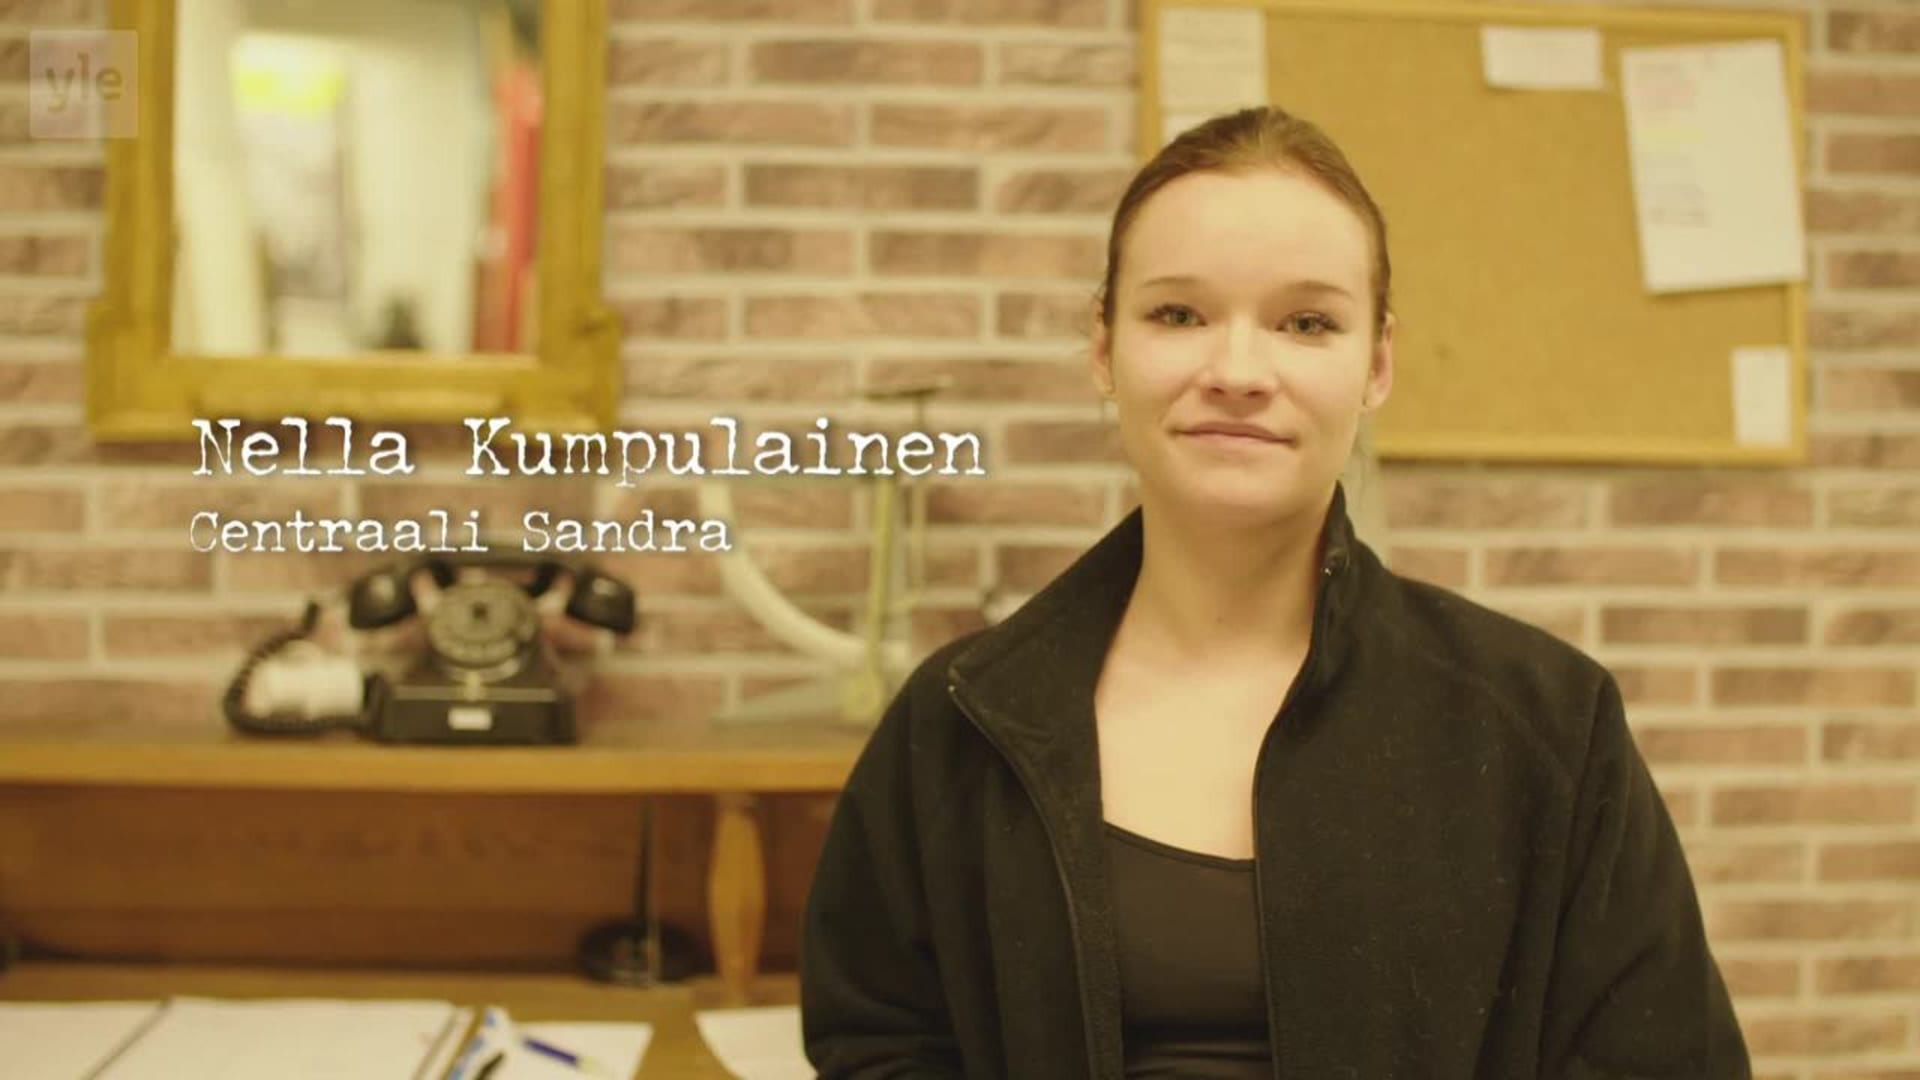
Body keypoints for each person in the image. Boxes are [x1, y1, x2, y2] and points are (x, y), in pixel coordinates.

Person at [798, 106, 1749, 1079]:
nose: (1239, 372)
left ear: (1376, 364)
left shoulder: (1547, 725)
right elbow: (875, 1039)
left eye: (1306, 323)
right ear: (1103, 349)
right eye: (1179, 315)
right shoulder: (958, 721)